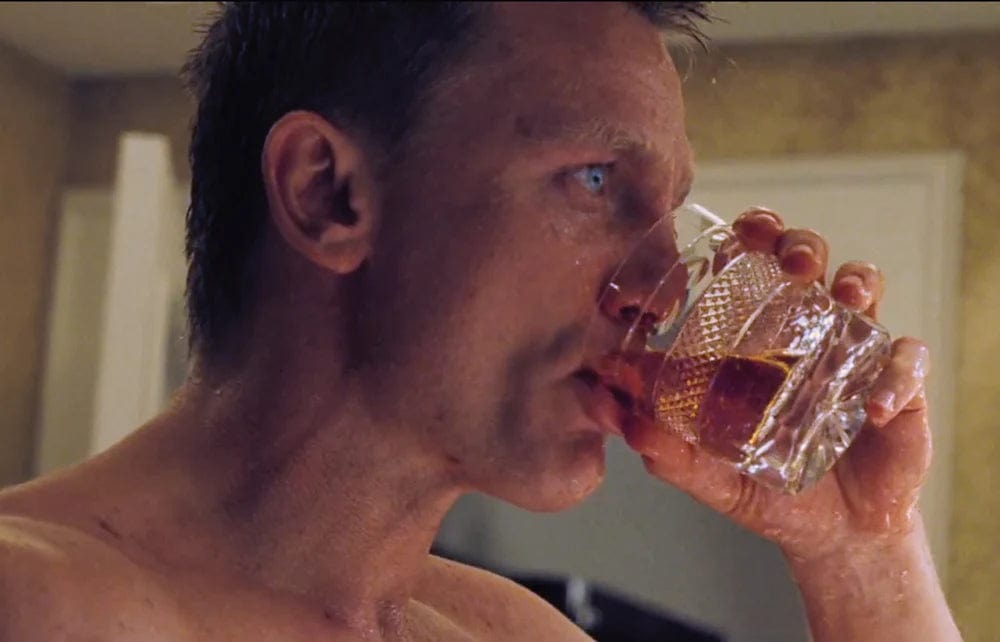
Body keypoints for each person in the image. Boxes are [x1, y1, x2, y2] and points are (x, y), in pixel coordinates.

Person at [0, 3, 961, 641]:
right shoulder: (36, 602)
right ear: (328, 193)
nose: (663, 291)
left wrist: (859, 553)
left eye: (669, 215)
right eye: (595, 180)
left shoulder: (519, 635)